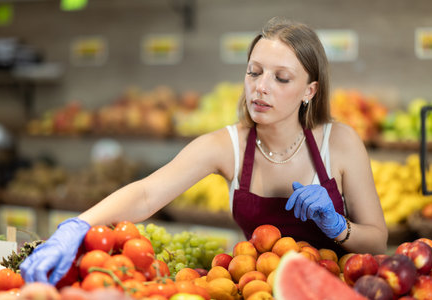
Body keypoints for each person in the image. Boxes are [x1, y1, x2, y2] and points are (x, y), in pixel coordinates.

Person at [21, 16, 388, 284]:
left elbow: (378, 239)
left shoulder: (339, 143)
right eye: (254, 72)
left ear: (310, 91)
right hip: (256, 289)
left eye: (281, 78)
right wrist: (76, 225)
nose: (261, 87)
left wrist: (339, 228)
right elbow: (148, 193)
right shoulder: (228, 146)